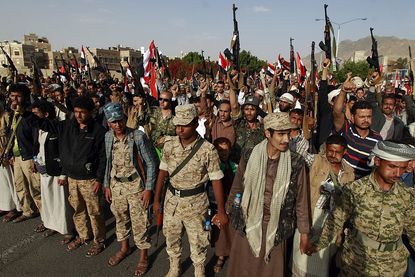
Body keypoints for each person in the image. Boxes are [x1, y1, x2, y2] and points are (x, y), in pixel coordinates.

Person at [226, 112, 312, 277]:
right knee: (242, 269)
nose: (286, 139)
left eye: (288, 133)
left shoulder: (296, 162)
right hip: (247, 223)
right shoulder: (249, 154)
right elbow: (238, 186)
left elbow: (301, 200)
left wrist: (304, 233)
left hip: (277, 227)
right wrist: (229, 212)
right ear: (267, 133)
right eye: (281, 134)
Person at [314, 141, 415, 277]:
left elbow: (413, 229)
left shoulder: (407, 196)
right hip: (356, 264)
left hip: (392, 268)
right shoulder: (355, 190)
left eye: (402, 168)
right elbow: (336, 219)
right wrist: (317, 245)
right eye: (392, 166)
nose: (397, 173)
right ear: (378, 161)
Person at [153, 104, 228, 277]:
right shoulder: (169, 145)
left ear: (195, 123)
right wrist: (157, 200)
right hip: (172, 200)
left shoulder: (208, 150)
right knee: (171, 238)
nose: (180, 129)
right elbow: (162, 172)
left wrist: (222, 211)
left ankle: (199, 270)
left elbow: (216, 181)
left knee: (198, 241)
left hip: (196, 203)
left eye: (184, 125)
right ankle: (174, 267)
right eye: (177, 125)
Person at [42, 95, 107, 257]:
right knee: (77, 209)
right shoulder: (67, 126)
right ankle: (83, 235)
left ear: (91, 112)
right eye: (76, 112)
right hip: (72, 178)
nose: (78, 115)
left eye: (82, 112)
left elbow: (103, 158)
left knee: (94, 211)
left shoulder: (99, 131)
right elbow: (45, 124)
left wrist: (99, 179)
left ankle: (99, 241)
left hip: (90, 179)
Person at [102, 103, 158, 276]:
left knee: (140, 222)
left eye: (119, 120)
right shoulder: (108, 137)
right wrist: (106, 184)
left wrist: (148, 189)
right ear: (108, 123)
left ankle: (143, 257)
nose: (117, 125)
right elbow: (108, 162)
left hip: (136, 187)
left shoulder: (137, 136)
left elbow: (151, 163)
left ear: (124, 119)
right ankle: (124, 248)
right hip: (116, 186)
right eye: (113, 122)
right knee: (120, 218)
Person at [291, 134, 355, 277]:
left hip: (332, 220)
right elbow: (297, 153)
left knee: (321, 261)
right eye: (330, 151)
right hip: (311, 215)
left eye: (337, 152)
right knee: (302, 259)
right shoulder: (316, 161)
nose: (332, 155)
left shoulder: (349, 173)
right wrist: (303, 135)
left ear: (344, 151)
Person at [31, 100, 74, 241]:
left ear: (46, 114)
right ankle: (51, 225)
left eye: (36, 114)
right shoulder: (39, 129)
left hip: (57, 172)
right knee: (48, 200)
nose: (34, 117)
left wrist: (63, 174)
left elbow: (64, 152)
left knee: (61, 203)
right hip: (44, 170)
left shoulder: (58, 128)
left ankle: (67, 230)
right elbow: (38, 147)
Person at [332, 74, 382, 179]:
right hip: (343, 181)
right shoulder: (346, 130)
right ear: (353, 117)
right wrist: (343, 91)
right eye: (362, 117)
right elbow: (337, 112)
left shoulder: (377, 139)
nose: (366, 120)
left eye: (368, 116)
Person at [9, 84, 42, 223]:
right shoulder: (12, 113)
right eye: (12, 96)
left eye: (18, 96)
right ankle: (27, 210)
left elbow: (35, 138)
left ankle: (45, 217)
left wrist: (35, 158)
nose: (15, 99)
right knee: (20, 186)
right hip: (17, 156)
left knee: (36, 188)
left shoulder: (29, 114)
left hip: (28, 156)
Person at [210, 137, 237, 273]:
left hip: (231, 204)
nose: (223, 153)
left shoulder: (234, 166)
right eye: (220, 151)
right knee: (219, 232)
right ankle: (220, 256)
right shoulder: (213, 167)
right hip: (216, 203)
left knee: (231, 230)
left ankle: (232, 252)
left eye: (226, 151)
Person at [0, 102, 20, 222]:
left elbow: (11, 135)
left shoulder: (6, 116)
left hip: (5, 154)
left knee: (8, 181)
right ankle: (3, 205)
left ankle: (13, 208)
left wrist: (8, 153)